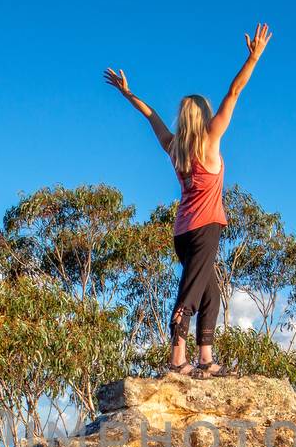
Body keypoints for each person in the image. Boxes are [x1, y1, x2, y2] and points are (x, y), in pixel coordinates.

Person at [104, 22, 272, 376]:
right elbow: (234, 92)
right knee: (191, 294)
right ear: (205, 116)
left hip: (182, 233)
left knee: (209, 290)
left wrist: (128, 95)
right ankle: (177, 360)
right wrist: (254, 58)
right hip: (205, 228)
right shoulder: (210, 142)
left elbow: (153, 119)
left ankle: (206, 358)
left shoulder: (176, 148)